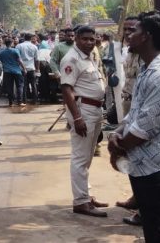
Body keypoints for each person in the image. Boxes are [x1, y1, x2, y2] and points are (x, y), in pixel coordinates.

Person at [108, 13, 160, 242]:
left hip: (158, 167)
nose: (129, 35)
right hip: (145, 164)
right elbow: (135, 113)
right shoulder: (147, 70)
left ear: (147, 37)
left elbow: (144, 129)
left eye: (135, 31)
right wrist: (116, 133)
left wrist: (118, 147)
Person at [59, 25, 108, 217]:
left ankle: (85, 195)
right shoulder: (71, 58)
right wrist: (77, 117)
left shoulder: (89, 57)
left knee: (87, 155)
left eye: (91, 39)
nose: (89, 42)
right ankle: (80, 201)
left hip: (94, 109)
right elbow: (66, 89)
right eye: (85, 39)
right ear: (77, 38)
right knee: (81, 156)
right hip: (83, 111)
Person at [0, 39, 27, 106]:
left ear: (5, 44)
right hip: (17, 71)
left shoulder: (2, 53)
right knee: (20, 86)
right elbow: (19, 60)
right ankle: (19, 102)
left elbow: (2, 61)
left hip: (7, 72)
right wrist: (24, 69)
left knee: (9, 87)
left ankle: (10, 102)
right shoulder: (15, 51)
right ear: (11, 44)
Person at [16, 33, 39, 104]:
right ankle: (35, 100)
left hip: (22, 68)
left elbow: (17, 58)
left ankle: (24, 100)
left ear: (24, 37)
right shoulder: (34, 47)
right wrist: (37, 69)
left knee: (23, 85)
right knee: (33, 84)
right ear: (30, 38)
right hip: (31, 68)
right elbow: (37, 59)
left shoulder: (19, 46)